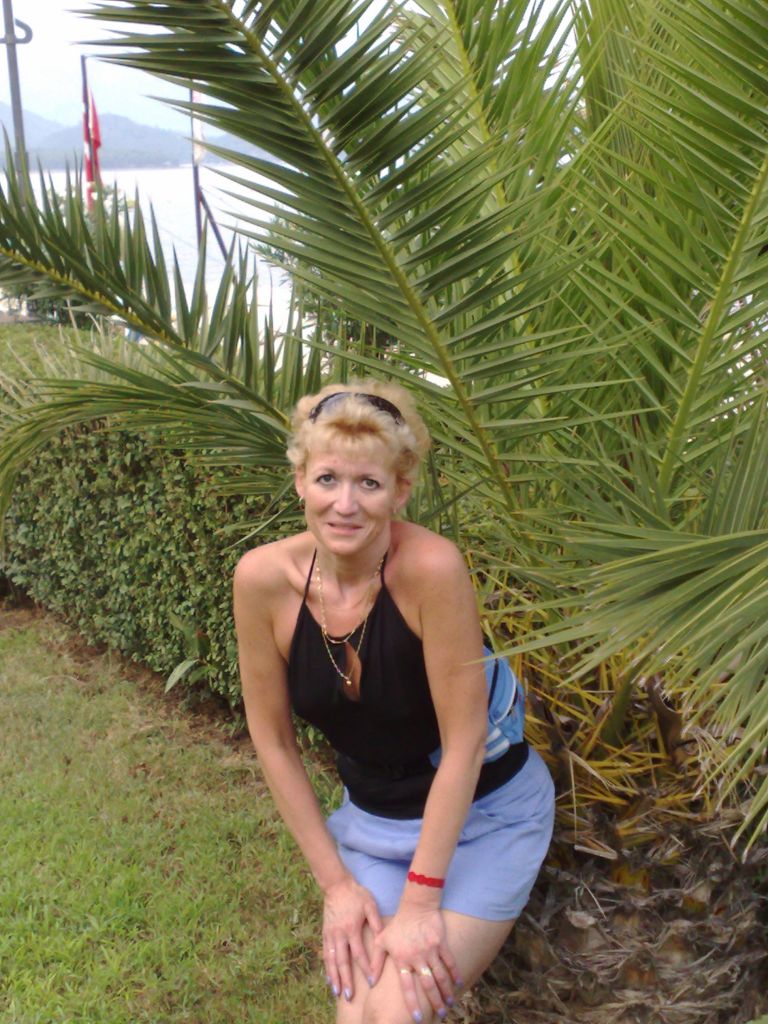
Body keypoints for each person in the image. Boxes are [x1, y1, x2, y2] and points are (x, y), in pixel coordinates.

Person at [233, 381, 555, 1024]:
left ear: (401, 490)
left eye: (369, 483)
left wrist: (420, 904)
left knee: (394, 1013)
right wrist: (336, 885)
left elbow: (465, 742)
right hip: (373, 822)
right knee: (359, 1015)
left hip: (485, 816)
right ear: (299, 481)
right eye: (327, 478)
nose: (345, 504)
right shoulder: (261, 580)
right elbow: (272, 741)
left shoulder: (431, 569)